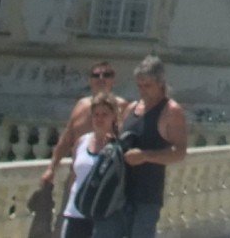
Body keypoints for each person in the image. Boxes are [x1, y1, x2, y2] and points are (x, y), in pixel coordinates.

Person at [114, 56, 188, 238]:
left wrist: (145, 156)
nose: (142, 91)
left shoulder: (171, 111)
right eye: (139, 86)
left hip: (147, 196)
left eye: (147, 86)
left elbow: (179, 152)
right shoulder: (131, 108)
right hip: (120, 192)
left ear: (160, 83)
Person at [54, 91, 126, 238]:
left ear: (114, 116)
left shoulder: (119, 147)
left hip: (104, 216)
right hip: (75, 212)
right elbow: (74, 176)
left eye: (104, 114)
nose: (99, 119)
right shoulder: (82, 142)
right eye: (96, 114)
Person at [45, 62, 119, 191]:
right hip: (76, 181)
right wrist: (51, 168)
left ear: (113, 80)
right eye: (96, 75)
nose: (101, 78)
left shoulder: (122, 107)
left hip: (105, 184)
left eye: (106, 75)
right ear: (90, 80)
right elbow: (66, 140)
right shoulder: (80, 106)